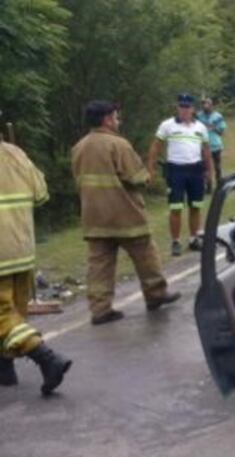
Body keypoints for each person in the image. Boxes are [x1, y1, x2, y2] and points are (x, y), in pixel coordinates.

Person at [71, 101, 181, 326]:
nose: (118, 121)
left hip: (94, 217)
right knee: (145, 255)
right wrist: (149, 175)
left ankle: (100, 310)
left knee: (99, 266)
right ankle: (156, 295)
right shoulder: (118, 144)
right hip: (125, 215)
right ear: (107, 120)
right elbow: (137, 178)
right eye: (115, 117)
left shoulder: (78, 147)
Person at [0, 140, 72, 395]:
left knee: (3, 318)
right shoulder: (16, 152)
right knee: (13, 316)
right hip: (22, 250)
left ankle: (47, 358)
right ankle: (5, 371)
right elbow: (41, 194)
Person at [147, 93, 214, 256]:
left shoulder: (200, 127)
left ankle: (193, 239)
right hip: (176, 170)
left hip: (196, 170)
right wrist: (151, 168)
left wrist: (209, 171)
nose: (184, 110)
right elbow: (155, 147)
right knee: (175, 208)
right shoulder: (167, 125)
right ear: (177, 107)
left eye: (187, 107)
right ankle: (176, 241)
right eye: (181, 106)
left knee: (196, 206)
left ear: (193, 109)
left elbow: (206, 151)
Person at [196, 97, 226, 190]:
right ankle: (208, 187)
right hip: (202, 146)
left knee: (217, 167)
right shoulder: (198, 116)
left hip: (215, 145)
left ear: (212, 105)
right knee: (204, 168)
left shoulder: (218, 116)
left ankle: (220, 185)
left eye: (207, 104)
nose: (205, 106)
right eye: (203, 104)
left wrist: (213, 128)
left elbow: (222, 132)